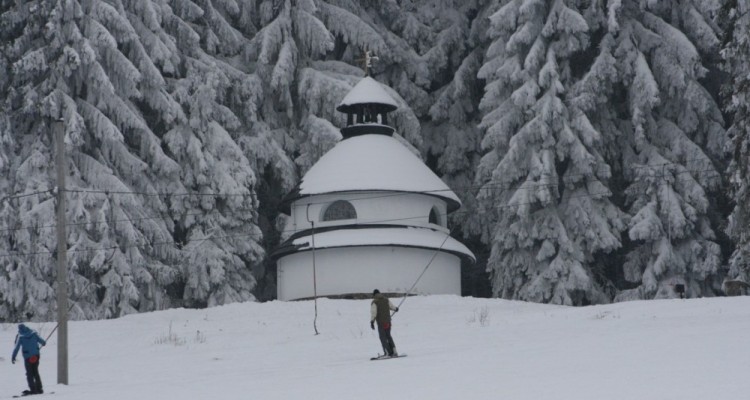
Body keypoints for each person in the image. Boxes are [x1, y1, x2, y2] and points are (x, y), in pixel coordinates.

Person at [12, 324, 46, 395]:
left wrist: (13, 357)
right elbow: (42, 341)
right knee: (35, 372)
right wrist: (43, 343)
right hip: (36, 356)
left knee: (29, 373)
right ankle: (39, 388)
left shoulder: (21, 336)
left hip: (28, 357)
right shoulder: (33, 333)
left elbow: (16, 348)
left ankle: (33, 389)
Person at [370, 289, 399, 357]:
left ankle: (387, 352)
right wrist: (396, 309)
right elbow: (392, 307)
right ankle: (394, 351)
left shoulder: (374, 302)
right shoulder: (386, 299)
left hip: (381, 323)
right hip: (388, 322)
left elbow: (374, 313)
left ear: (374, 295)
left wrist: (372, 322)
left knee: (383, 337)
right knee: (388, 336)